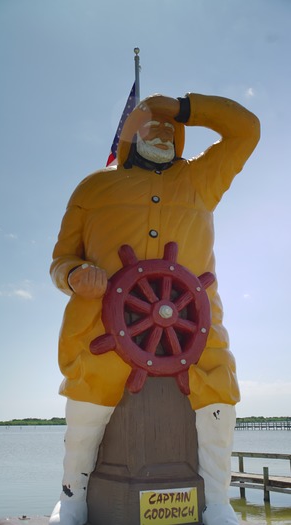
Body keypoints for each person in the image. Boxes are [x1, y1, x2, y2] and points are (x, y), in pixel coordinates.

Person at [49, 92, 260, 525]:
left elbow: (246, 129)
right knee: (87, 404)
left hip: (191, 330)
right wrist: (75, 276)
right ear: (130, 136)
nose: (163, 131)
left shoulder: (202, 178)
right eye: (152, 124)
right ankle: (71, 500)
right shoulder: (92, 188)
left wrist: (185, 106)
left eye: (171, 127)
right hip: (101, 329)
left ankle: (218, 503)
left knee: (219, 398)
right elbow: (61, 259)